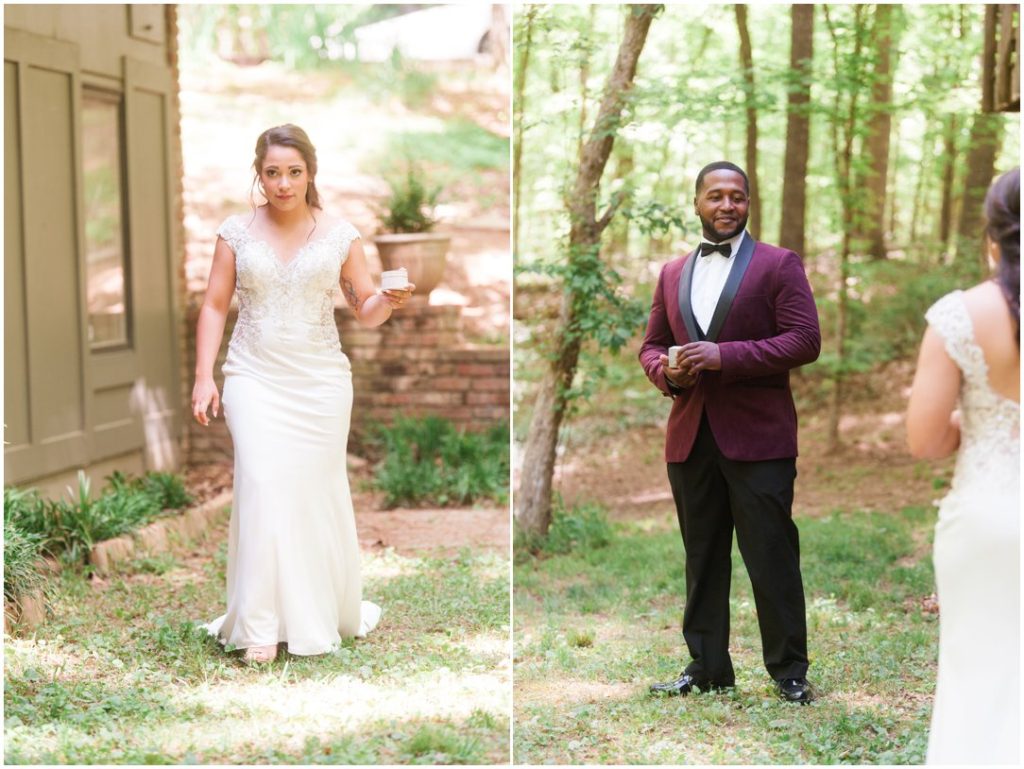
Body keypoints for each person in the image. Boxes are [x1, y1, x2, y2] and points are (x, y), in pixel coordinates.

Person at [192, 124, 415, 663]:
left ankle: (315, 613)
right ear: (259, 175)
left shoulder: (339, 235)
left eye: (294, 172)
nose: (283, 183)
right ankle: (260, 626)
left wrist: (389, 299)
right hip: (253, 376)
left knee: (310, 494)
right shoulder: (235, 234)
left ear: (310, 173)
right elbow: (215, 306)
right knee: (264, 484)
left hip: (320, 383)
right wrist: (204, 376)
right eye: (272, 173)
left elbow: (364, 309)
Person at [638, 161, 821, 703]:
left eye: (736, 197)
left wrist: (725, 356)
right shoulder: (672, 272)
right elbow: (651, 344)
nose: (726, 205)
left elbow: (805, 340)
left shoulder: (778, 264)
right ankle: (708, 666)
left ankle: (789, 671)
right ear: (696, 203)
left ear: (748, 204)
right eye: (715, 196)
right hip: (690, 437)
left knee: (771, 554)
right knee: (702, 556)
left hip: (759, 439)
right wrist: (665, 372)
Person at [907, 167, 1019, 764]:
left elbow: (924, 440)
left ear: (992, 236)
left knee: (979, 684)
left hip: (986, 520)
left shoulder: (959, 315)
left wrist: (977, 423)